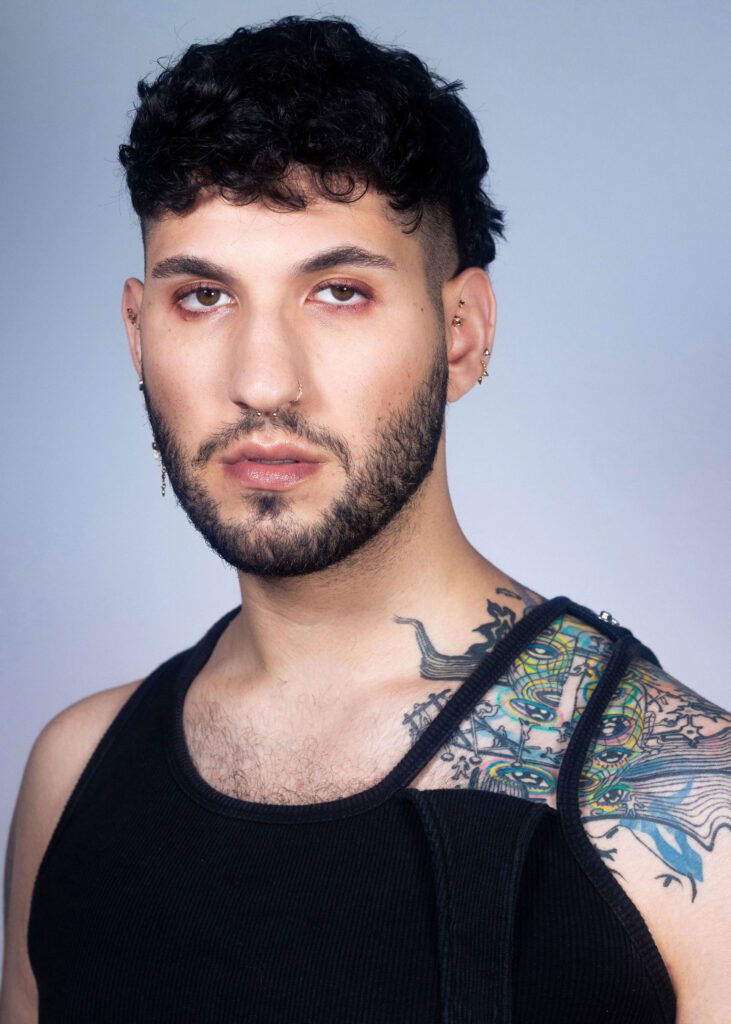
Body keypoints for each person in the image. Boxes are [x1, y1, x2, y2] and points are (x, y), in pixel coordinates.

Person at [1, 15, 729, 1023]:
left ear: (461, 334)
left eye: (338, 292)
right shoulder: (74, 774)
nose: (262, 381)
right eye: (203, 297)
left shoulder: (679, 817)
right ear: (137, 333)